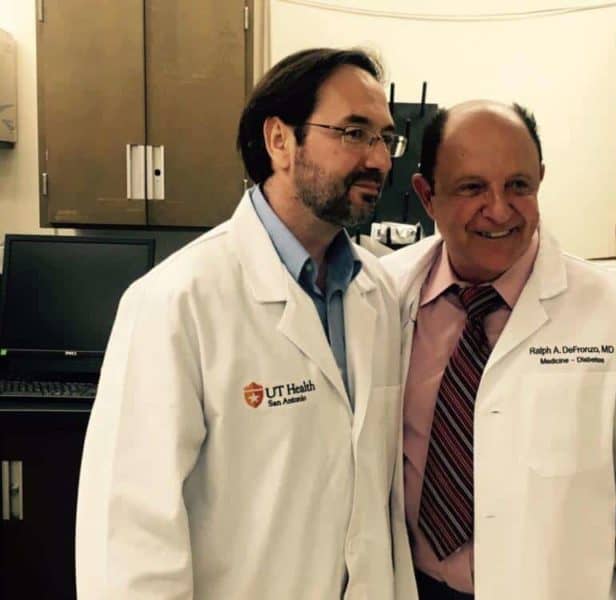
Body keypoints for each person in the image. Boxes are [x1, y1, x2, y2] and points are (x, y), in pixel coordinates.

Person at [75, 47, 416, 599]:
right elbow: (129, 532)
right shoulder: (176, 302)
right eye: (354, 133)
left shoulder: (376, 291)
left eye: (385, 138)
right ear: (280, 140)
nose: (378, 159)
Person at [381, 100, 616, 599]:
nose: (499, 209)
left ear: (540, 181)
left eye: (518, 186)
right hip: (412, 587)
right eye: (472, 188)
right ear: (426, 195)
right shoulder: (382, 296)